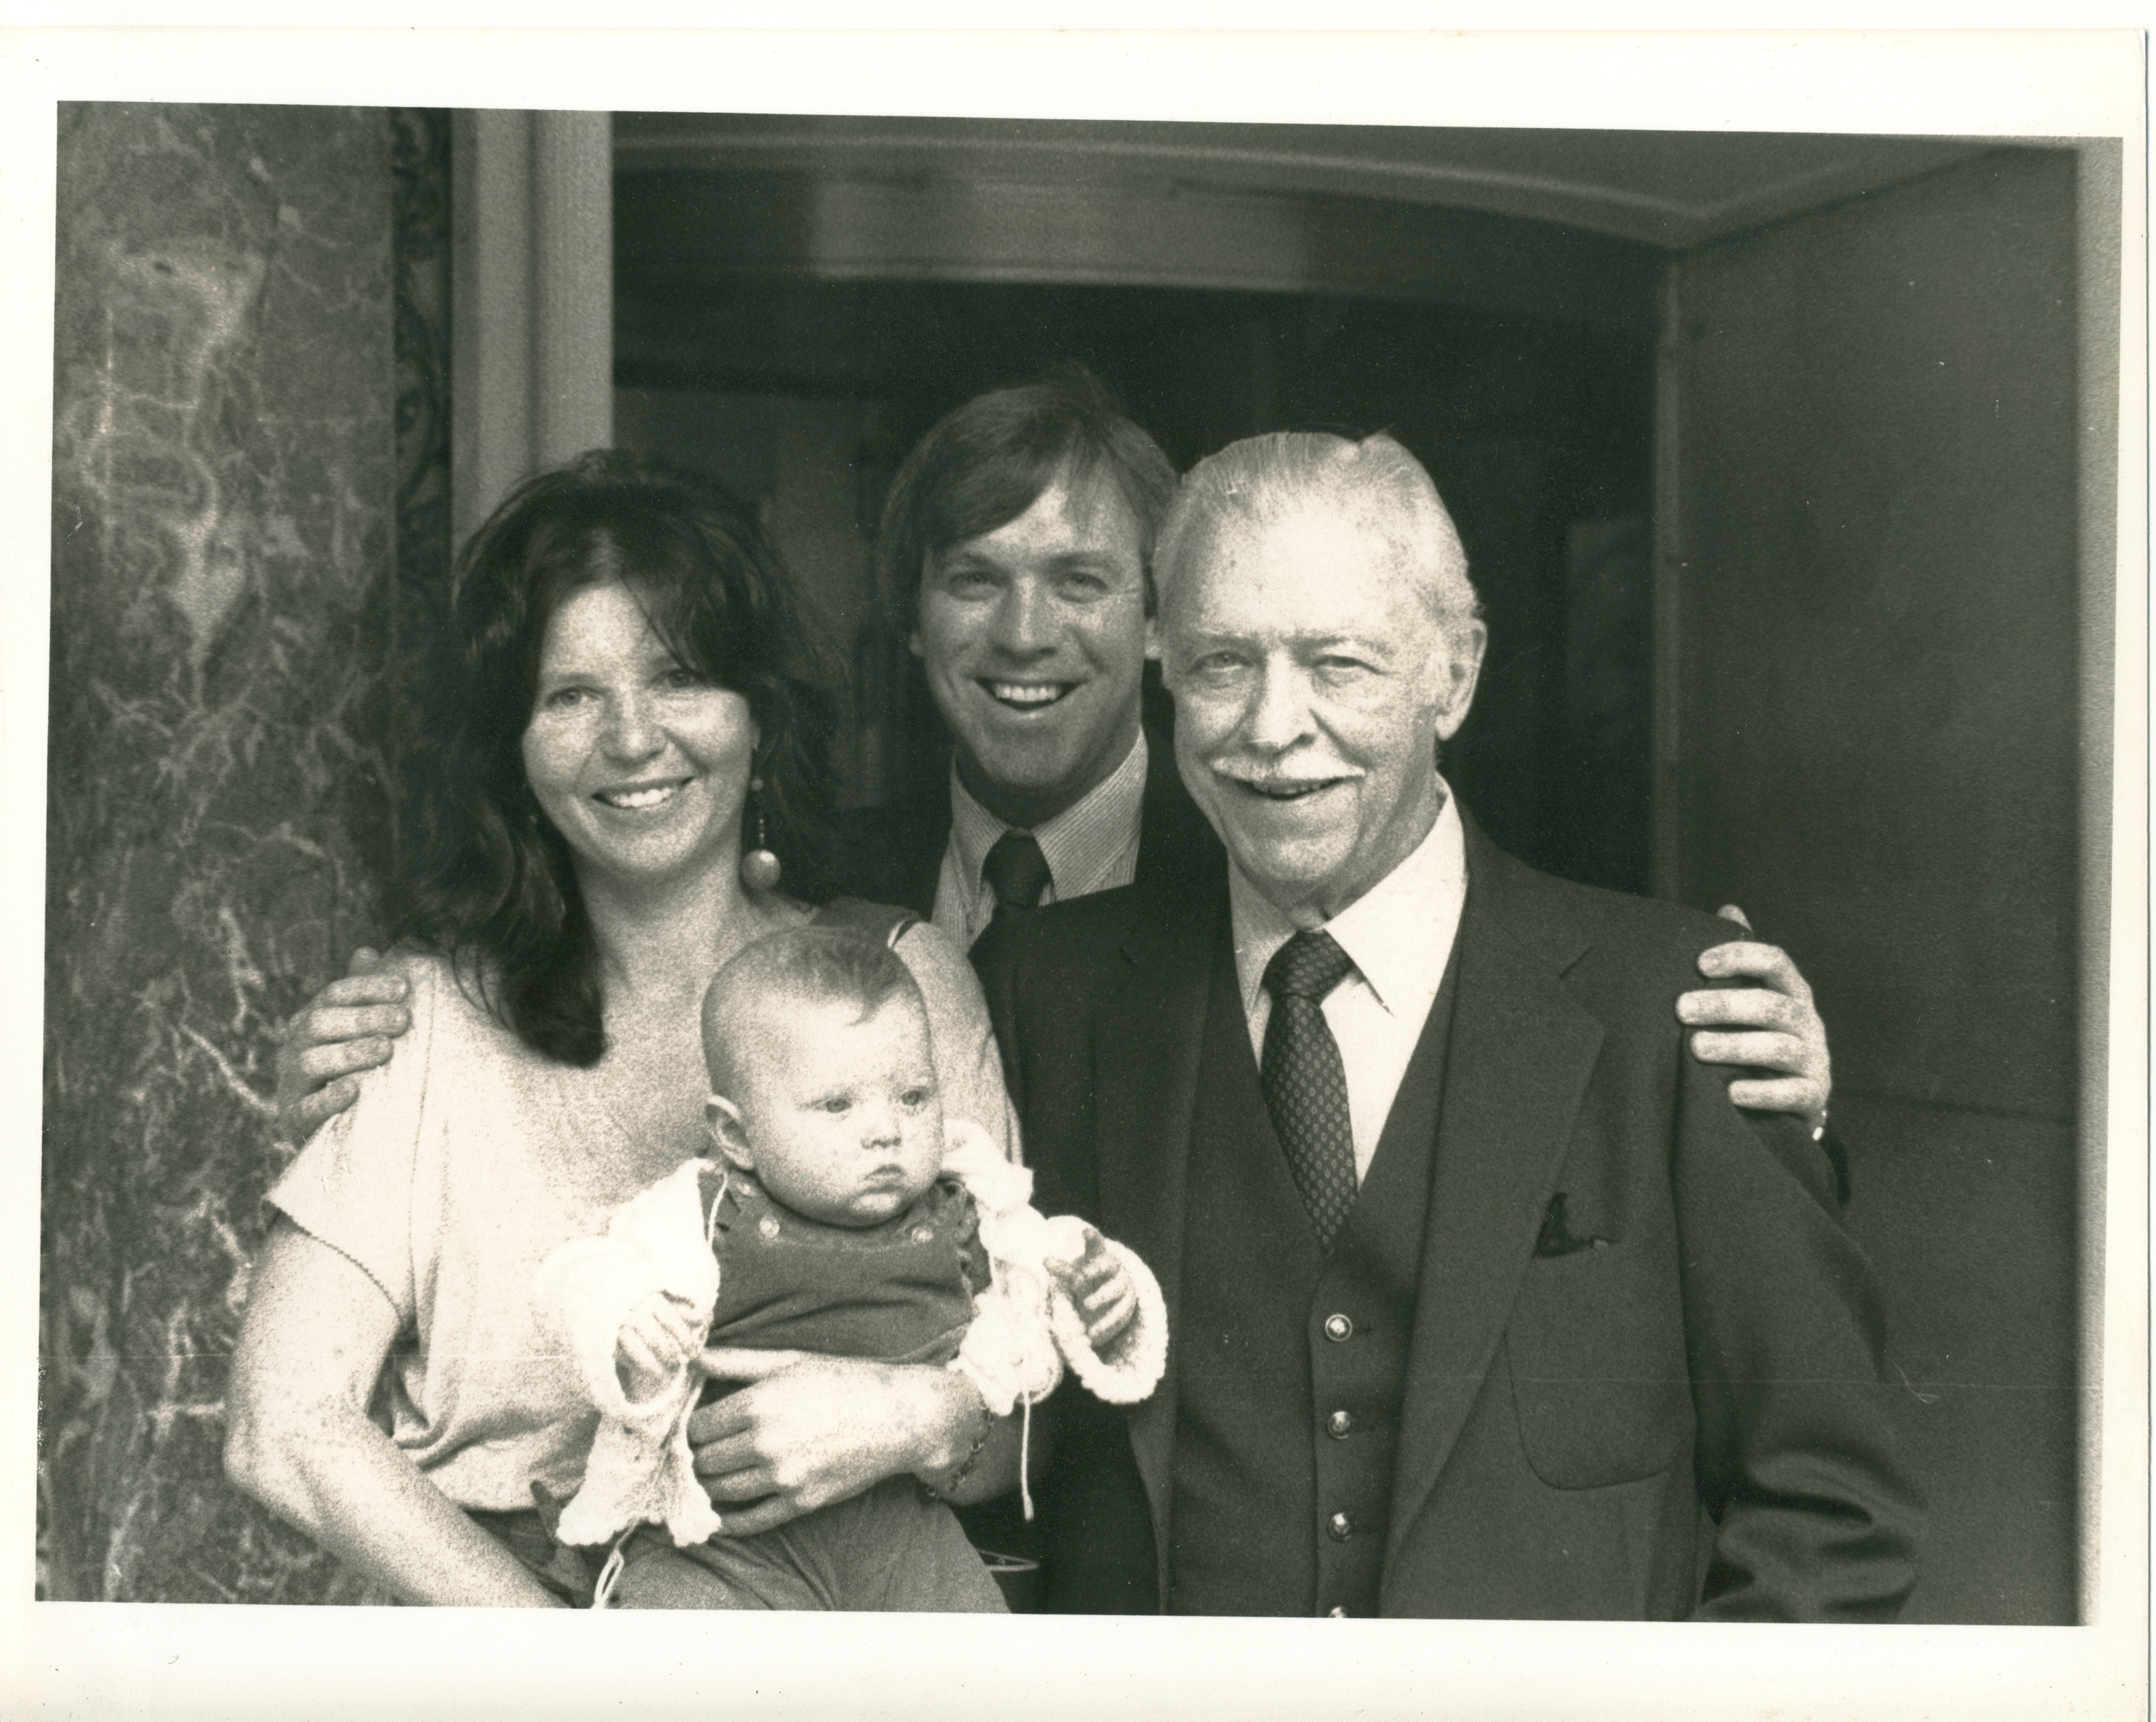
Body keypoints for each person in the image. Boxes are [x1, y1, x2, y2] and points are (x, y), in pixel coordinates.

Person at [272, 370, 1837, 1150]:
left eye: (1081, 580)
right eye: (973, 577)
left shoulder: (1296, 841)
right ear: (907, 614)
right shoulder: (811, 878)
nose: (1023, 633)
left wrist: (1782, 1086)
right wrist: (389, 1051)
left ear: (1165, 625)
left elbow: (1572, 1017)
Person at [979, 430, 1923, 1619]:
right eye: (1224, 663)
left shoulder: (1676, 1009)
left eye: (1339, 664)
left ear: (1455, 675)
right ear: (1164, 669)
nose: (1272, 727)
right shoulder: (1047, 992)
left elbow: (1833, 1512)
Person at [223, 452, 1026, 1607]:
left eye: (681, 677)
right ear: (514, 750)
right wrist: (577, 1673)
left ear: (759, 714)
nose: (633, 737)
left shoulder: (895, 978)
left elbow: (1009, 1420)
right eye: (570, 695)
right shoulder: (425, 1017)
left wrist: (907, 1414)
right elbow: (280, 1422)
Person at [535, 923, 1166, 1611]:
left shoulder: (965, 1210)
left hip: (903, 1528)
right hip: (722, 1541)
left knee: (984, 1669)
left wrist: (1104, 1294)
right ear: (737, 1136)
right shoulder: (704, 1214)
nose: (885, 1130)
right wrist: (622, 1315)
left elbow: (1042, 1276)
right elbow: (582, 1272)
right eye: (838, 1105)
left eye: (913, 1096)